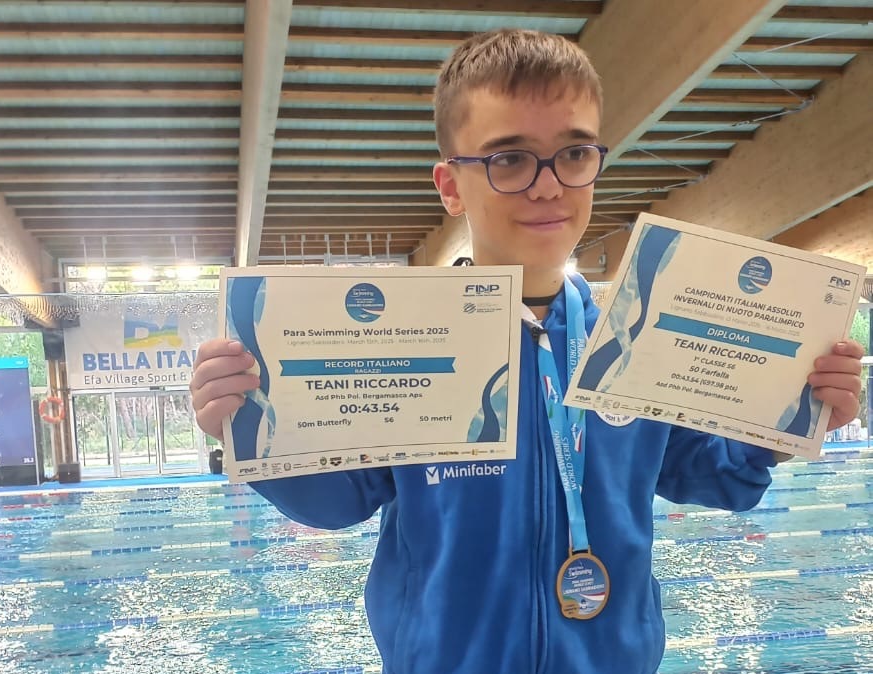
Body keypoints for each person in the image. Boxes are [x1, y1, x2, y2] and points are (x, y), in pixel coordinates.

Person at [189, 29, 864, 673]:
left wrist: (791, 417)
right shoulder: (402, 345)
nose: (548, 185)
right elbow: (336, 502)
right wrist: (247, 420)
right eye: (509, 158)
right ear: (450, 184)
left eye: (573, 153)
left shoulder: (634, 340)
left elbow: (710, 473)